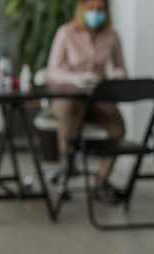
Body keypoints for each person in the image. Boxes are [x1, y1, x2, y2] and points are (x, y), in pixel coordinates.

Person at [46, 0, 127, 201]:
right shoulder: (66, 33)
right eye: (91, 9)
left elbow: (122, 68)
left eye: (100, 10)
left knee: (118, 128)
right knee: (70, 114)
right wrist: (74, 78)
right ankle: (66, 172)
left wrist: (118, 75)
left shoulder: (111, 36)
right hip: (68, 96)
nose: (95, 13)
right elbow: (52, 71)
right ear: (81, 9)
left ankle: (102, 181)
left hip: (97, 97)